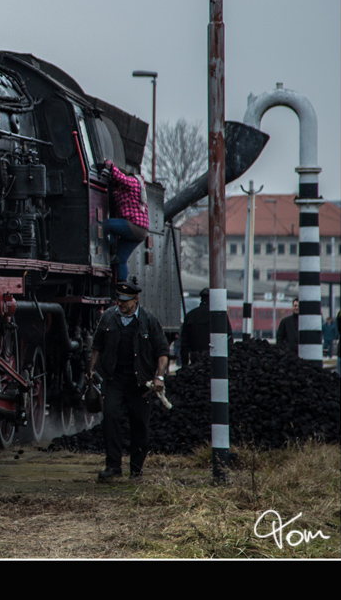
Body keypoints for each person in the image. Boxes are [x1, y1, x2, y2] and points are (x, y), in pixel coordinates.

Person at [88, 281, 170, 482]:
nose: (121, 304)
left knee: (139, 424)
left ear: (136, 300)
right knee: (111, 417)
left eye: (125, 301)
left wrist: (159, 377)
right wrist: (90, 370)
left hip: (140, 383)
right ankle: (113, 466)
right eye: (119, 300)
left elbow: (162, 352)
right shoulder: (108, 318)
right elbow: (97, 346)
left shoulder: (148, 321)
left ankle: (136, 470)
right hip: (115, 379)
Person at [104, 159, 149, 282]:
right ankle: (122, 287)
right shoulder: (125, 192)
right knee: (121, 259)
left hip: (134, 225)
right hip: (140, 232)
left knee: (104, 224)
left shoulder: (133, 182)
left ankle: (112, 250)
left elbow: (121, 179)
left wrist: (110, 167)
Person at [177, 289, 233, 366]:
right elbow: (229, 338)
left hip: (196, 359)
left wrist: (184, 365)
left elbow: (184, 344)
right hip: (216, 360)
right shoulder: (220, 315)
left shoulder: (190, 315)